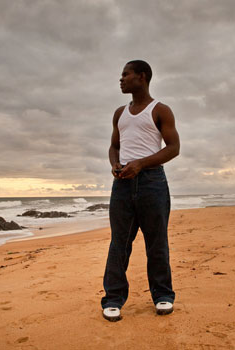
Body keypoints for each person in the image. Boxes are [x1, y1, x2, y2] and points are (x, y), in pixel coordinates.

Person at [101, 60, 180, 322]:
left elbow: (173, 148)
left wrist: (141, 164)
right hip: (122, 183)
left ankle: (163, 296)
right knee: (119, 244)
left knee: (156, 242)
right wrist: (115, 163)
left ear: (142, 77)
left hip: (152, 182)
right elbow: (114, 146)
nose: (121, 79)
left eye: (126, 74)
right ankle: (113, 300)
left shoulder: (161, 110)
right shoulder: (119, 113)